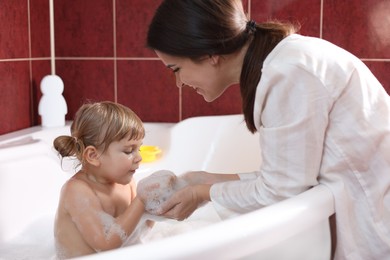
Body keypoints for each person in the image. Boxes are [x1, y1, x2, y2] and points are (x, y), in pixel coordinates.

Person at [146, 0, 390, 259]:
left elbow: (282, 193)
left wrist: (201, 193)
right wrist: (204, 180)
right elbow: (285, 179)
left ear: (209, 54)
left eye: (176, 69)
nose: (179, 83)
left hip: (377, 215)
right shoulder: (284, 63)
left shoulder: (288, 73)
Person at [53, 101, 153, 259]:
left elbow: (142, 229)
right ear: (93, 156)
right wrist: (141, 202)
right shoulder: (77, 191)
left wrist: (155, 206)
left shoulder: (128, 183)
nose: (139, 157)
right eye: (129, 151)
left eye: (138, 148)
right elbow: (105, 244)